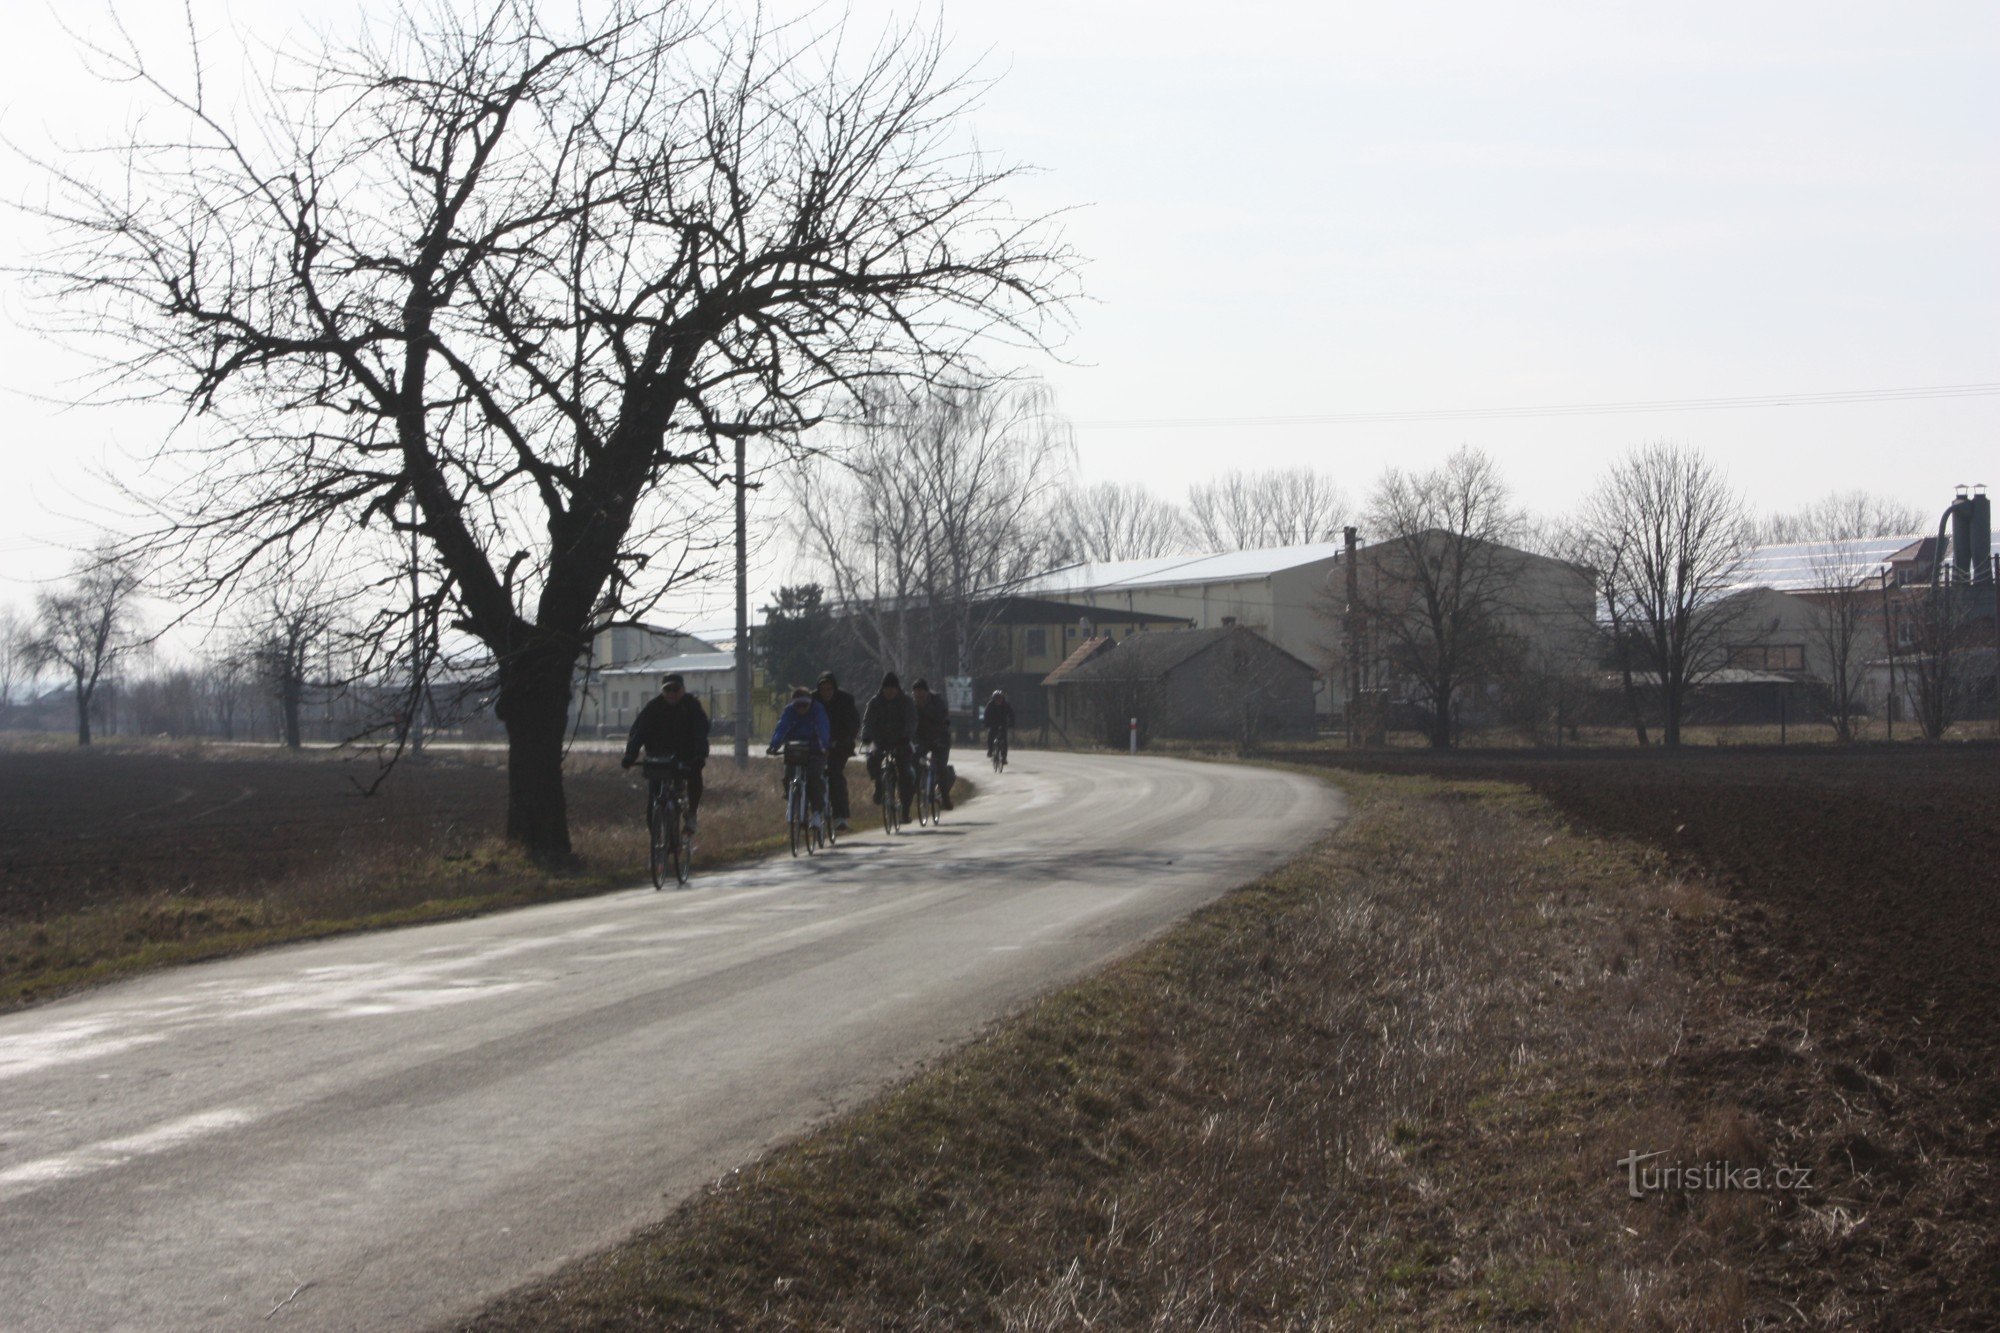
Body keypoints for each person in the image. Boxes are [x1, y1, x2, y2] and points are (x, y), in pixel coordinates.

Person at [621, 673, 711, 835]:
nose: (671, 693)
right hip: (658, 758)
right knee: (653, 801)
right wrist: (630, 755)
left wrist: (700, 755)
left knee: (694, 777)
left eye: (675, 689)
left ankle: (691, 814)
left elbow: (700, 732)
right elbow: (639, 732)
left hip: (685, 756)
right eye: (667, 689)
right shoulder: (654, 707)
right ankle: (657, 845)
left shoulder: (691, 706)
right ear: (662, 691)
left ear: (683, 689)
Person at [860, 671, 918, 823]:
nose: (889, 691)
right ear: (882, 689)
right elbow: (867, 722)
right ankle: (879, 784)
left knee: (905, 773)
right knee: (872, 759)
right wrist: (866, 736)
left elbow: (911, 721)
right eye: (886, 688)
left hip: (901, 741)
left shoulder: (906, 702)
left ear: (897, 688)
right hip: (880, 741)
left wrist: (907, 736)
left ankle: (905, 810)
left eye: (892, 688)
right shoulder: (874, 702)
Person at [767, 686, 831, 820]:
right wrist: (774, 745)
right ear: (793, 704)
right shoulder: (789, 712)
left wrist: (824, 746)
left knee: (814, 777)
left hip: (815, 750)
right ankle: (793, 801)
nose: (801, 708)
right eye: (798, 705)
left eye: (805, 705)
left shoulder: (817, 710)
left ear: (810, 702)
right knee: (788, 776)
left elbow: (822, 729)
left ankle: (817, 812)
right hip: (795, 750)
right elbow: (781, 728)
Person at [815, 671, 861, 832]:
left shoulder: (845, 700)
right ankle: (812, 811)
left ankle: (840, 816)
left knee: (835, 774)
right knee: (813, 775)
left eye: (829, 689)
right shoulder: (812, 700)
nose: (826, 693)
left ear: (834, 688)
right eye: (823, 689)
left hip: (840, 745)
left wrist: (847, 739)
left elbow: (854, 722)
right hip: (818, 746)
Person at [909, 678, 955, 811]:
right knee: (914, 760)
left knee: (940, 767)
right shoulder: (911, 704)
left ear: (927, 692)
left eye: (921, 693)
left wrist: (941, 734)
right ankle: (915, 788)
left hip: (940, 738)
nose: (918, 696)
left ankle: (945, 798)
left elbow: (944, 719)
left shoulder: (937, 702)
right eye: (915, 693)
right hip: (922, 739)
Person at [983, 689, 1015, 762]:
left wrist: (1011, 723)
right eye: (997, 699)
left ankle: (1004, 757)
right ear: (994, 699)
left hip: (1003, 723)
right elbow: (986, 715)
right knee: (990, 736)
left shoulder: (1006, 705)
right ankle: (990, 750)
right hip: (993, 723)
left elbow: (1011, 714)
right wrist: (986, 723)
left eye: (1000, 699)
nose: (998, 701)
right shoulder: (990, 705)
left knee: (1004, 740)